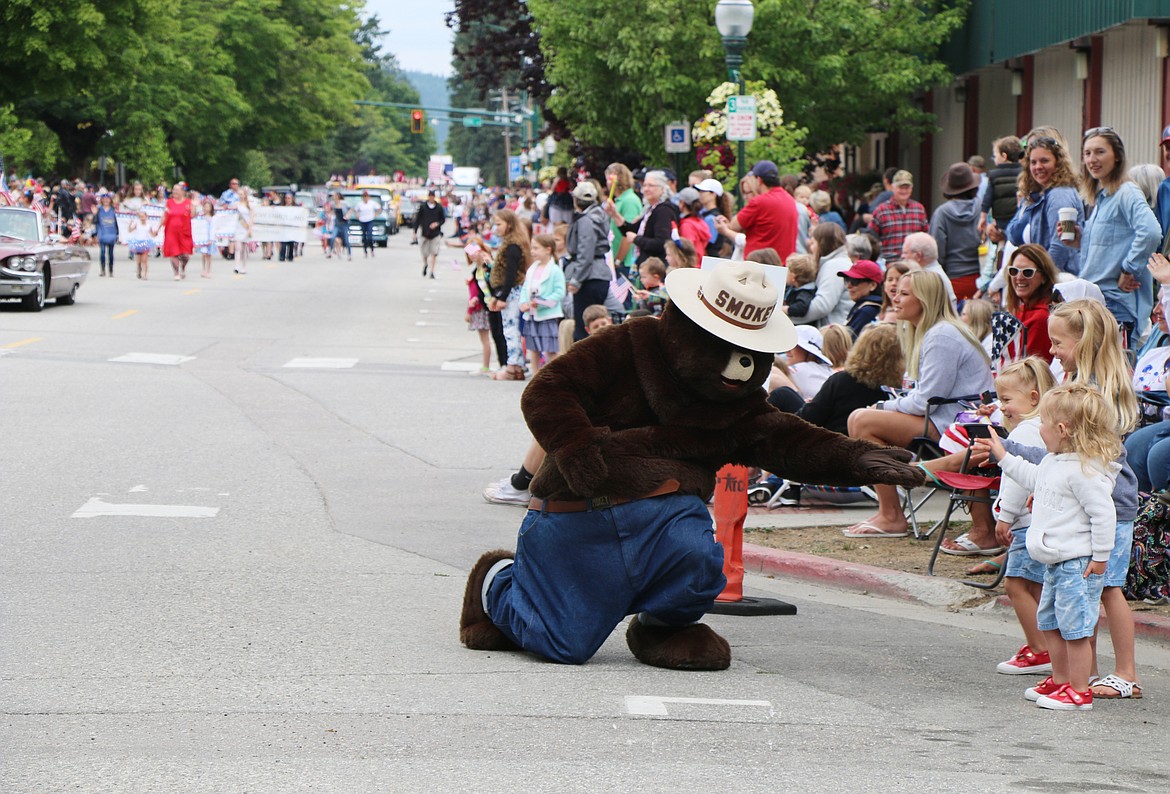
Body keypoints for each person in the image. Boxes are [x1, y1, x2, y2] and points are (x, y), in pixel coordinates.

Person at [983, 384, 1121, 710]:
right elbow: (1031, 477)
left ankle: (1078, 690)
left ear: (1061, 429)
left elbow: (1104, 515)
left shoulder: (1085, 471)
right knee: (1051, 623)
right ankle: (1061, 681)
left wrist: (1101, 557)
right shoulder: (1053, 462)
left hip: (1076, 563)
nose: (1038, 427)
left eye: (1043, 421)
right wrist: (1002, 456)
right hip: (1054, 563)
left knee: (1074, 628)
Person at [1030, 298, 1141, 700]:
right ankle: (1085, 672)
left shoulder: (1096, 393)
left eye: (1059, 343)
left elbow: (1095, 464)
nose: (1054, 351)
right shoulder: (1084, 384)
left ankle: (1126, 673)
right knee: (1085, 591)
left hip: (1109, 506)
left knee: (1107, 587)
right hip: (1085, 503)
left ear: (1086, 341)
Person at [844, 270, 994, 537]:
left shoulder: (942, 335)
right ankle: (888, 512)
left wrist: (882, 407)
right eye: (895, 292)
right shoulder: (930, 332)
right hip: (945, 417)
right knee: (860, 419)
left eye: (904, 294)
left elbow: (926, 401)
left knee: (862, 420)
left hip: (957, 422)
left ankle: (891, 515)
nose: (895, 299)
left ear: (924, 299)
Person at [481, 303, 613, 507]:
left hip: (612, 418)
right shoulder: (601, 348)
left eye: (604, 323)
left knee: (554, 422)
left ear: (611, 321)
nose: (603, 328)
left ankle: (520, 485)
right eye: (597, 326)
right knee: (556, 418)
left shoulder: (614, 345)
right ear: (588, 330)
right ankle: (524, 482)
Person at [976, 358, 1058, 671]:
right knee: (1034, 586)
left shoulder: (1025, 432)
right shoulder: (1041, 428)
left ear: (1034, 398)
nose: (1002, 407)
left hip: (1025, 523)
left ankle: (1039, 649)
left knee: (1016, 585)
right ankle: (1046, 645)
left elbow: (1016, 480)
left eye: (1007, 400)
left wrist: (1005, 516)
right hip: (1041, 522)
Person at [1066, 128, 1161, 343]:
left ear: (1117, 156)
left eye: (1100, 152)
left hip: (1116, 307)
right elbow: (1111, 246)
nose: (1092, 159)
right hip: (1096, 305)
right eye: (1087, 153)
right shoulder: (1102, 198)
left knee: (1114, 374)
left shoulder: (1127, 192)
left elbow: (1151, 231)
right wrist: (1079, 241)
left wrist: (1129, 268)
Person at [770, 322, 904, 434]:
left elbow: (807, 419)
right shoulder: (897, 392)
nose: (788, 350)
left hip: (827, 446)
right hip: (857, 449)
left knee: (782, 394)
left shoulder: (843, 380)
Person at [1005, 131, 1083, 276]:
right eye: (1033, 162)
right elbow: (1012, 234)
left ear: (1058, 163)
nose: (1038, 167)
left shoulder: (1059, 195)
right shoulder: (1038, 195)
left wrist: (1043, 279)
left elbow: (1060, 245)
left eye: (1044, 161)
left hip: (1059, 280)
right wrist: (1026, 206)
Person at [713, 160, 798, 260]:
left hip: (759, 264)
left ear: (759, 180)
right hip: (781, 265)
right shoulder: (789, 199)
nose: (745, 197)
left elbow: (734, 226)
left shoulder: (760, 201)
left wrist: (725, 227)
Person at [566, 181, 615, 341]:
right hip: (599, 274)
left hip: (588, 277)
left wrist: (576, 279)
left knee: (584, 329)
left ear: (575, 200)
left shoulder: (585, 220)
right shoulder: (600, 216)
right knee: (597, 325)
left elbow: (585, 252)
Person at [486, 209, 531, 381]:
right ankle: (517, 365)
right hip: (507, 292)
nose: (495, 228)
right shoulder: (509, 243)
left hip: (511, 293)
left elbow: (510, 275)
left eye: (499, 224)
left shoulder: (512, 246)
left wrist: (502, 297)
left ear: (510, 225)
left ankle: (512, 366)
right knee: (509, 330)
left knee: (510, 331)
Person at [931, 163, 983, 299]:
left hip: (953, 279)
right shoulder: (981, 208)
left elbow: (937, 250)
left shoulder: (941, 213)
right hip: (981, 279)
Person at [1003, 243, 1059, 361]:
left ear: (1043, 277)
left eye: (1027, 272)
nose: (1019, 277)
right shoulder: (1019, 310)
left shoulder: (1042, 318)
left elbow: (1029, 372)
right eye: (1014, 271)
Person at [520, 233, 566, 375]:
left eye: (536, 248)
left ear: (548, 249)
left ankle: (553, 375)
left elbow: (559, 292)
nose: (532, 251)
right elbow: (525, 287)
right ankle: (535, 374)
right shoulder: (532, 269)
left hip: (547, 314)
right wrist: (523, 303)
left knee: (550, 348)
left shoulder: (555, 271)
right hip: (532, 313)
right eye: (532, 248)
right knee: (533, 347)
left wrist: (542, 303)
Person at [610, 170, 678, 266]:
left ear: (662, 189)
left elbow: (662, 242)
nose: (646, 189)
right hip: (645, 265)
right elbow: (631, 231)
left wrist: (636, 239)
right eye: (644, 185)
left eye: (651, 185)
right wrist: (614, 214)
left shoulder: (663, 210)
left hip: (656, 267)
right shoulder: (650, 209)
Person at [797, 222, 853, 327]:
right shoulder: (839, 262)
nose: (811, 247)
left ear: (822, 244)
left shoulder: (834, 265)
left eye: (813, 243)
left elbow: (822, 306)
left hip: (833, 331)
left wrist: (789, 314)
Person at [868, 169, 929, 262]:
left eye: (907, 187)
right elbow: (871, 238)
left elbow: (925, 237)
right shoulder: (881, 210)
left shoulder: (919, 209)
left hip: (914, 265)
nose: (904, 191)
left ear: (911, 189)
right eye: (900, 187)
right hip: (889, 265)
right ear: (893, 188)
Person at [981, 135, 1024, 236]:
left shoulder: (994, 175)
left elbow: (987, 199)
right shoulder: (1023, 173)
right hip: (1019, 215)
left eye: (995, 156)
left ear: (1004, 156)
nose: (994, 159)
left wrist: (983, 217)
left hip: (1001, 219)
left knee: (1002, 239)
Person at [604, 163, 642, 275]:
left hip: (625, 262)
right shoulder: (620, 200)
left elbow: (629, 234)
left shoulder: (629, 201)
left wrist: (618, 260)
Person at [901, 232, 957, 305]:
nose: (902, 256)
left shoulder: (928, 278)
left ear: (918, 256)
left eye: (905, 253)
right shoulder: (934, 273)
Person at [837, 259, 884, 337]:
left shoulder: (867, 311)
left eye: (854, 281)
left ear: (872, 285)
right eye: (847, 280)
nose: (849, 286)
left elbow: (850, 344)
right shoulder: (864, 306)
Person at [161, 182, 194, 280]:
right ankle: (176, 273)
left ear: (182, 191)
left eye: (177, 190)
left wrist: (194, 207)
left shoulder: (188, 202)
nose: (174, 191)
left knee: (185, 255)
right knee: (173, 253)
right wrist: (158, 228)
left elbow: (193, 214)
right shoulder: (169, 202)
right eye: (174, 189)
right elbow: (164, 215)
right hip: (171, 231)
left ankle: (182, 267)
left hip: (184, 231)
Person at [695, 177, 734, 258]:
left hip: (710, 260)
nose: (700, 194)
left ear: (713, 194)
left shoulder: (712, 218)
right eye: (699, 191)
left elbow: (709, 244)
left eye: (703, 191)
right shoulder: (706, 214)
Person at [414, 191, 446, 278]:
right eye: (430, 196)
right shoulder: (423, 207)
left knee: (434, 252)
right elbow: (417, 220)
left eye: (433, 196)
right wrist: (415, 232)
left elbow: (443, 219)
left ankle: (432, 271)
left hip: (435, 233)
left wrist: (437, 224)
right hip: (425, 232)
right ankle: (425, 264)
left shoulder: (439, 207)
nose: (431, 198)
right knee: (424, 252)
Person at [782, 253, 818, 321]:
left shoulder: (805, 293)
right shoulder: (792, 287)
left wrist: (784, 309)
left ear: (793, 276)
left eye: (787, 271)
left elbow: (801, 308)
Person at [675, 187, 710, 255]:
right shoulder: (700, 222)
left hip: (692, 264)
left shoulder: (687, 225)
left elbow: (688, 249)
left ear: (682, 203)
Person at [95, 193, 118, 277]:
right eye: (104, 199)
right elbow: (96, 222)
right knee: (102, 252)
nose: (105, 201)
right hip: (102, 233)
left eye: (107, 199)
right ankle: (103, 269)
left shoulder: (113, 210)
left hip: (111, 233)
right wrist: (96, 234)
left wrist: (117, 234)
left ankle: (111, 270)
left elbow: (117, 222)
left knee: (111, 253)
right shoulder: (99, 210)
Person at [127, 210, 155, 280]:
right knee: (139, 261)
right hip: (138, 243)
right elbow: (130, 230)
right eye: (140, 217)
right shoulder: (137, 224)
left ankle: (145, 274)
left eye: (143, 216)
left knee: (145, 260)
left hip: (145, 243)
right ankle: (139, 269)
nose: (142, 218)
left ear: (146, 217)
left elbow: (152, 234)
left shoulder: (149, 225)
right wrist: (130, 224)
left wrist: (155, 233)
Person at [196, 198, 216, 279]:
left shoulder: (213, 217)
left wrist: (211, 239)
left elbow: (213, 228)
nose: (206, 208)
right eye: (205, 206)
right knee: (203, 254)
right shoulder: (200, 216)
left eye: (208, 207)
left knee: (209, 254)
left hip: (209, 237)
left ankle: (209, 270)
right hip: (202, 237)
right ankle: (203, 269)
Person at [278, 192, 298, 262]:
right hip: (284, 228)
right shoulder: (282, 207)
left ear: (292, 199)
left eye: (289, 198)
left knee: (291, 243)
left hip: (292, 228)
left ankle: (290, 256)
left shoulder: (295, 208)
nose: (287, 200)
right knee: (283, 243)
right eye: (286, 198)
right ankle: (282, 256)